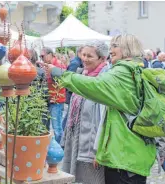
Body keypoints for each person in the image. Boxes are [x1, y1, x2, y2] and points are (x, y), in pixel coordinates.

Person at [41, 34, 156, 184]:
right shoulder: (134, 70)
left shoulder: (122, 73)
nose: (111, 49)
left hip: (123, 156)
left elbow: (93, 86)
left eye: (115, 46)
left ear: (127, 50)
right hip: (131, 154)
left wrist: (59, 73)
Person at [62, 40, 109, 184]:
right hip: (77, 140)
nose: (85, 59)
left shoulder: (104, 80)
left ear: (102, 58)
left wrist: (99, 151)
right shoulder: (83, 74)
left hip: (91, 148)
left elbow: (104, 119)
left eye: (90, 56)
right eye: (83, 55)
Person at [40, 47, 66, 144]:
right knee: (46, 125)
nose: (41, 58)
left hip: (57, 100)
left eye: (43, 56)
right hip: (49, 99)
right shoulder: (47, 65)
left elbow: (62, 80)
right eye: (40, 56)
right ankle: (48, 147)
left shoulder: (58, 64)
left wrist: (49, 73)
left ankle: (60, 146)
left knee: (56, 127)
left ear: (50, 54)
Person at [62, 47, 84, 131]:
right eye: (84, 54)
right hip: (72, 94)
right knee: (68, 117)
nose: (85, 57)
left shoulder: (78, 62)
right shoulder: (75, 63)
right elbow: (69, 78)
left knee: (69, 116)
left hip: (74, 94)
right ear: (79, 53)